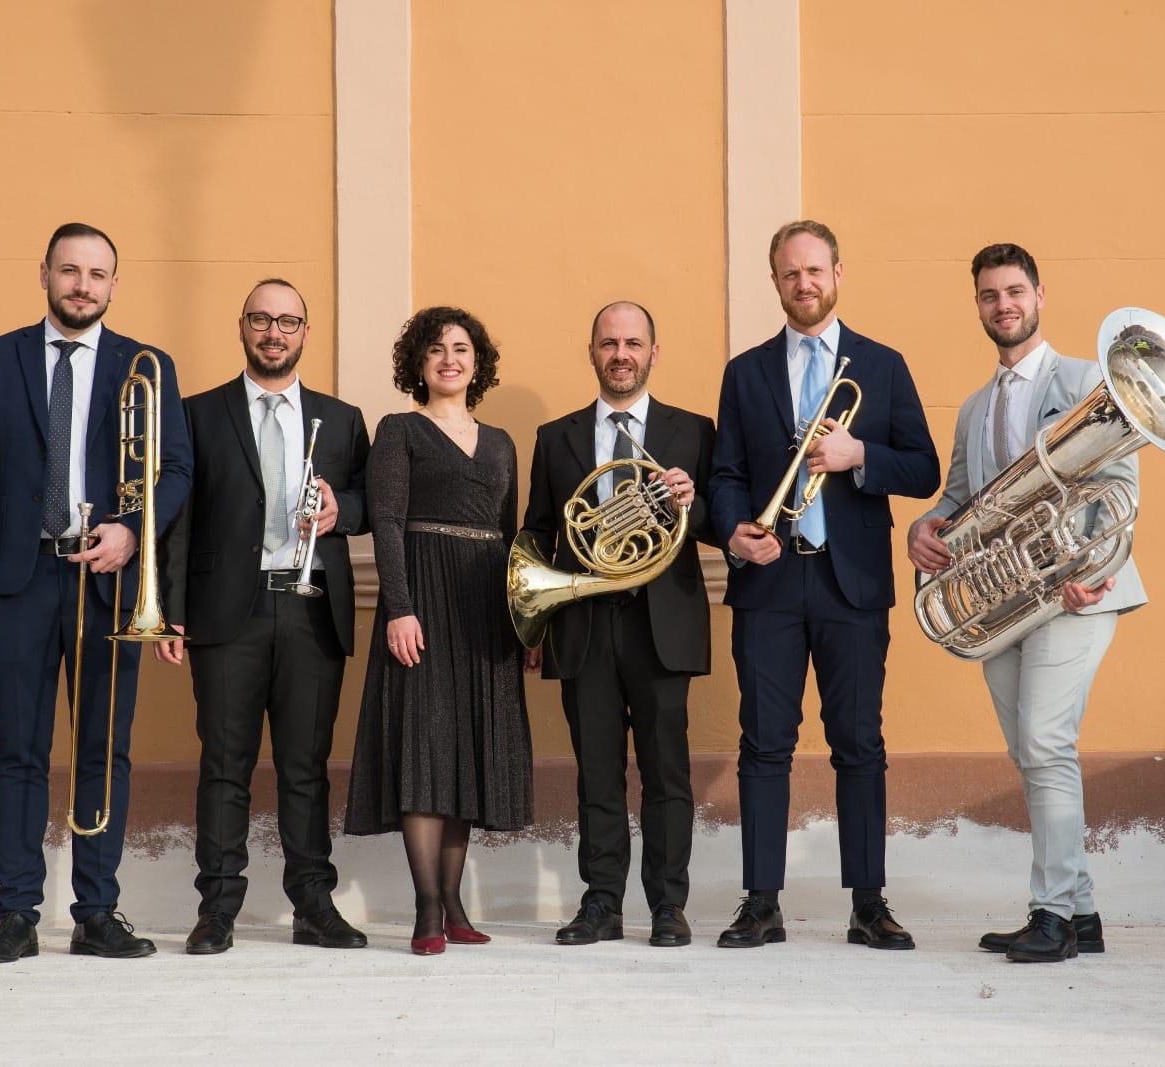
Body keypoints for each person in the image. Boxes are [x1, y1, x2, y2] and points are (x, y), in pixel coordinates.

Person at [0, 222, 192, 964]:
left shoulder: (146, 364)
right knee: (18, 748)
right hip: (16, 581)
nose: (83, 285)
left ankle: (97, 912)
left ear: (114, 284)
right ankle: (16, 914)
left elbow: (176, 468)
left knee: (103, 751)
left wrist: (132, 531)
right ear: (44, 273)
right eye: (70, 270)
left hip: (106, 581)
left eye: (98, 273)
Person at [907, 243, 1146, 963]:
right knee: (1030, 751)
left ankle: (1052, 915)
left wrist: (1090, 564)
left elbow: (1120, 486)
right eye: (989, 295)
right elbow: (960, 497)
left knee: (1045, 742)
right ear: (978, 306)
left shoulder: (1086, 379)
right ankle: (1082, 911)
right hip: (1008, 597)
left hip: (1079, 591)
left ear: (1039, 296)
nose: (1003, 305)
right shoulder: (974, 408)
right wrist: (926, 526)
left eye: (1014, 291)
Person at [707, 219, 939, 949]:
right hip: (771, 581)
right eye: (790, 273)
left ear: (838, 273)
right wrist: (733, 529)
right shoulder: (744, 372)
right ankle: (761, 903)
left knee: (859, 742)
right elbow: (725, 473)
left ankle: (868, 903)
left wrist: (858, 453)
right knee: (763, 743)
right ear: (775, 282)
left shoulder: (883, 365)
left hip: (851, 583)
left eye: (814, 270)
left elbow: (924, 468)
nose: (803, 283)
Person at [156, 279, 371, 954]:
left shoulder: (342, 418)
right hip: (228, 613)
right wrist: (169, 610)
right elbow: (178, 520)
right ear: (243, 326)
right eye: (261, 319)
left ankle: (313, 905)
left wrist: (341, 510)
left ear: (305, 331)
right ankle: (218, 909)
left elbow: (368, 499)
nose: (274, 332)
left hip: (312, 610)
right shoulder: (197, 413)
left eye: (287, 321)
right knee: (225, 765)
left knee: (307, 767)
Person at [521, 301, 715, 949]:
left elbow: (719, 522)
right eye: (609, 343)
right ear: (592, 352)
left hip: (662, 625)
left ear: (653, 352)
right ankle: (601, 902)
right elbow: (539, 531)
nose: (621, 354)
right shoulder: (556, 436)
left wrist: (692, 501)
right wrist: (534, 623)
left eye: (633, 343)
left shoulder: (694, 430)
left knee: (667, 775)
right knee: (597, 775)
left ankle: (668, 905)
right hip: (584, 623)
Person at [345, 306, 533, 955]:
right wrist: (399, 607)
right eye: (436, 350)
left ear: (477, 363)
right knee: (424, 745)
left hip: (486, 606)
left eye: (461, 349)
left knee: (467, 748)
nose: (449, 359)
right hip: (422, 599)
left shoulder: (502, 442)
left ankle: (454, 903)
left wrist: (525, 622)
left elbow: (512, 537)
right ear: (418, 364)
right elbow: (387, 522)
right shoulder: (398, 430)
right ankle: (426, 908)